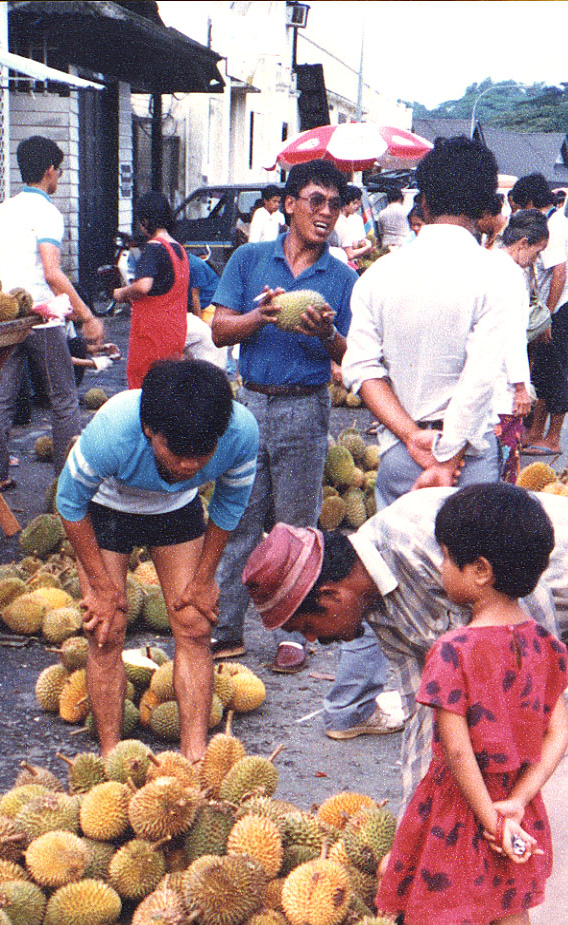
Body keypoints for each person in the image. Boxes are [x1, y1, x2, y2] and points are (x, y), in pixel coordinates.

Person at [240, 487, 568, 925]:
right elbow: (432, 721)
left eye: (308, 628)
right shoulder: (380, 610)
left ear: (331, 594)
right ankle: (501, 902)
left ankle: (522, 915)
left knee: (555, 744)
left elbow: (527, 658)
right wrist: (412, 846)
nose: (317, 643)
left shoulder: (421, 541)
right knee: (517, 754)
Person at [368, 485, 568, 925]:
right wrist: (516, 803)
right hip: (518, 807)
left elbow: (457, 751)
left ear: (478, 572)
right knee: (514, 924)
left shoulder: (451, 652)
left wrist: (485, 817)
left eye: (447, 556)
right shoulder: (546, 645)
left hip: (464, 811)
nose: (438, 565)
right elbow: (560, 733)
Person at [326, 137, 512, 741]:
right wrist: (450, 453)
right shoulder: (497, 275)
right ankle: (465, 725)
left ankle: (347, 709)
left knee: (375, 577)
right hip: (466, 467)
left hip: (402, 459)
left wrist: (411, 439)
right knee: (475, 593)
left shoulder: (381, 275)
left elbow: (361, 368)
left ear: (423, 200)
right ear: (486, 206)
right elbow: (484, 375)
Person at [54, 360, 258, 762]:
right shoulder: (112, 431)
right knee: (106, 629)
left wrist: (204, 578)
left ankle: (195, 754)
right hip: (108, 507)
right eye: (177, 453)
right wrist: (103, 587)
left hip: (176, 509)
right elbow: (69, 502)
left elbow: (229, 506)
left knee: (195, 624)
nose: (188, 466)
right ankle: (114, 755)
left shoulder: (240, 433)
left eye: (202, 454)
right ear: (150, 431)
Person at [209, 159, 356, 673]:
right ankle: (225, 626)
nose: (327, 212)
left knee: (296, 527)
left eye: (335, 204)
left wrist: (324, 336)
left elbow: (350, 356)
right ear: (290, 204)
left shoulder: (340, 277)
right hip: (249, 404)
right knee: (238, 522)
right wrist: (259, 317)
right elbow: (219, 331)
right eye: (316, 200)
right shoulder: (249, 260)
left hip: (305, 406)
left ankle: (297, 634)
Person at [0, 135, 103, 485]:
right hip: (42, 316)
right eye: (58, 170)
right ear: (49, 170)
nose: (59, 176)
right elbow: (52, 272)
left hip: (7, 316)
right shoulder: (47, 213)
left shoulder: (3, 210)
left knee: (1, 397)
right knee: (63, 398)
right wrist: (87, 316)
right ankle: (66, 481)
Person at [510, 173, 568, 458]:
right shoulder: (549, 222)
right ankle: (535, 432)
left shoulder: (553, 227)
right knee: (541, 370)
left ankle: (553, 438)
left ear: (529, 202)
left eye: (518, 207)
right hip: (552, 307)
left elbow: (559, 273)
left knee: (554, 372)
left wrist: (547, 317)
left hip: (561, 307)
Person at [491, 210, 549, 482]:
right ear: (523, 242)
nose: (534, 261)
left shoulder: (487, 262)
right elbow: (512, 336)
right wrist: (520, 389)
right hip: (503, 391)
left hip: (480, 385)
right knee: (502, 472)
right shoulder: (513, 276)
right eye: (536, 252)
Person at [114, 193, 190, 390]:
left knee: (144, 388)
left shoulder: (153, 248)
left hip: (152, 334)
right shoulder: (179, 249)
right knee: (168, 387)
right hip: (175, 332)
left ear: (145, 220)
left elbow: (143, 286)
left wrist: (122, 293)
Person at [333, 186, 372, 266]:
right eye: (354, 203)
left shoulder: (355, 219)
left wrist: (360, 244)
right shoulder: (341, 222)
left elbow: (348, 243)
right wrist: (367, 248)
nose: (357, 206)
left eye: (358, 203)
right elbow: (349, 255)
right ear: (345, 204)